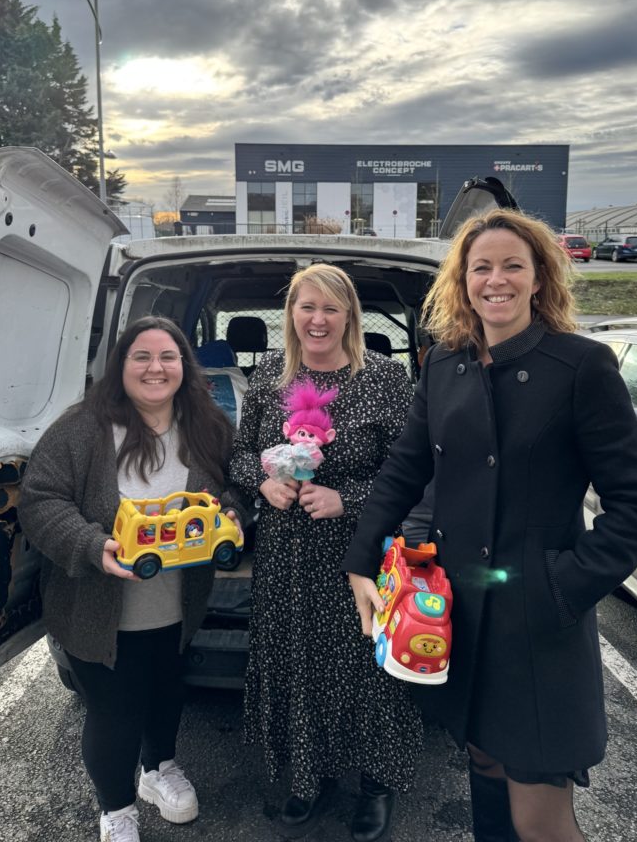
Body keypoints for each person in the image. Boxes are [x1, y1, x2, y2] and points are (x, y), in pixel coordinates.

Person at [342, 210, 637, 842]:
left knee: (539, 821)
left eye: (513, 265)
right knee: (485, 770)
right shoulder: (444, 365)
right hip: (460, 613)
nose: (496, 280)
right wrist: (361, 561)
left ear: (539, 278)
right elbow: (404, 470)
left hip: (539, 625)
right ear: (463, 282)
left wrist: (561, 587)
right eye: (481, 267)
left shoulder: (581, 367)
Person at [19, 316, 244, 842]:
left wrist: (233, 513)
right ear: (120, 365)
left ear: (184, 365)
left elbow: (236, 486)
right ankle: (116, 810)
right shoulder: (82, 428)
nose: (154, 368)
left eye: (167, 356)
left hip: (176, 605)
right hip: (95, 608)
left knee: (167, 691)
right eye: (141, 356)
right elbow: (40, 499)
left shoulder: (208, 425)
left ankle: (158, 769)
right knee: (114, 711)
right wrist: (90, 546)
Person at [229, 263, 423, 842]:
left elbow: (413, 474)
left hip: (359, 553)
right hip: (285, 557)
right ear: (290, 313)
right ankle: (307, 778)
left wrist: (348, 499)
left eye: (331, 308)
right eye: (306, 307)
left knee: (369, 670)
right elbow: (239, 455)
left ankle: (376, 783)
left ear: (349, 316)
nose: (318, 320)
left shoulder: (384, 379)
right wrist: (263, 482)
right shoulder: (270, 374)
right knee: (298, 663)